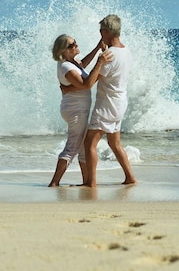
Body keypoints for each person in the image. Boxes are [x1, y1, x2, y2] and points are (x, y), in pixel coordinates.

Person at [48, 34, 111, 187]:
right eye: (71, 45)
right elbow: (86, 84)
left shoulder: (71, 62)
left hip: (76, 109)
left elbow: (82, 65)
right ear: (63, 51)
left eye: (75, 42)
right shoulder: (66, 67)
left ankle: (86, 182)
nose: (76, 46)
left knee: (83, 148)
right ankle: (54, 183)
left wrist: (97, 48)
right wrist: (100, 63)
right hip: (75, 111)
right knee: (72, 148)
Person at [83, 15, 136, 187]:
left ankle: (91, 182)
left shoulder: (109, 55)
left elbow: (89, 83)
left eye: (100, 31)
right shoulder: (125, 51)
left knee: (90, 143)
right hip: (120, 102)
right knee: (114, 143)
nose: (99, 34)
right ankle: (130, 177)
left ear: (106, 32)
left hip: (107, 104)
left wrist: (99, 61)